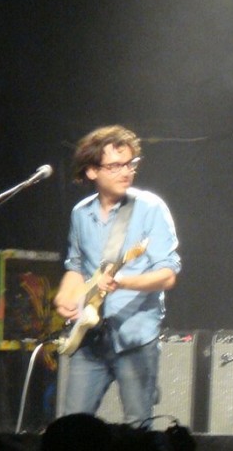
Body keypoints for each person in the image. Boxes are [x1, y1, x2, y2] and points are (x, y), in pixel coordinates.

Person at [53, 126, 181, 426]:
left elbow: (167, 274)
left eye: (130, 164)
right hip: (90, 337)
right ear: (91, 171)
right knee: (72, 426)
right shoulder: (80, 213)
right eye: (115, 166)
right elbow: (76, 267)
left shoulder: (150, 208)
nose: (126, 172)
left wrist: (123, 282)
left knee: (138, 427)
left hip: (135, 339)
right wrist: (64, 297)